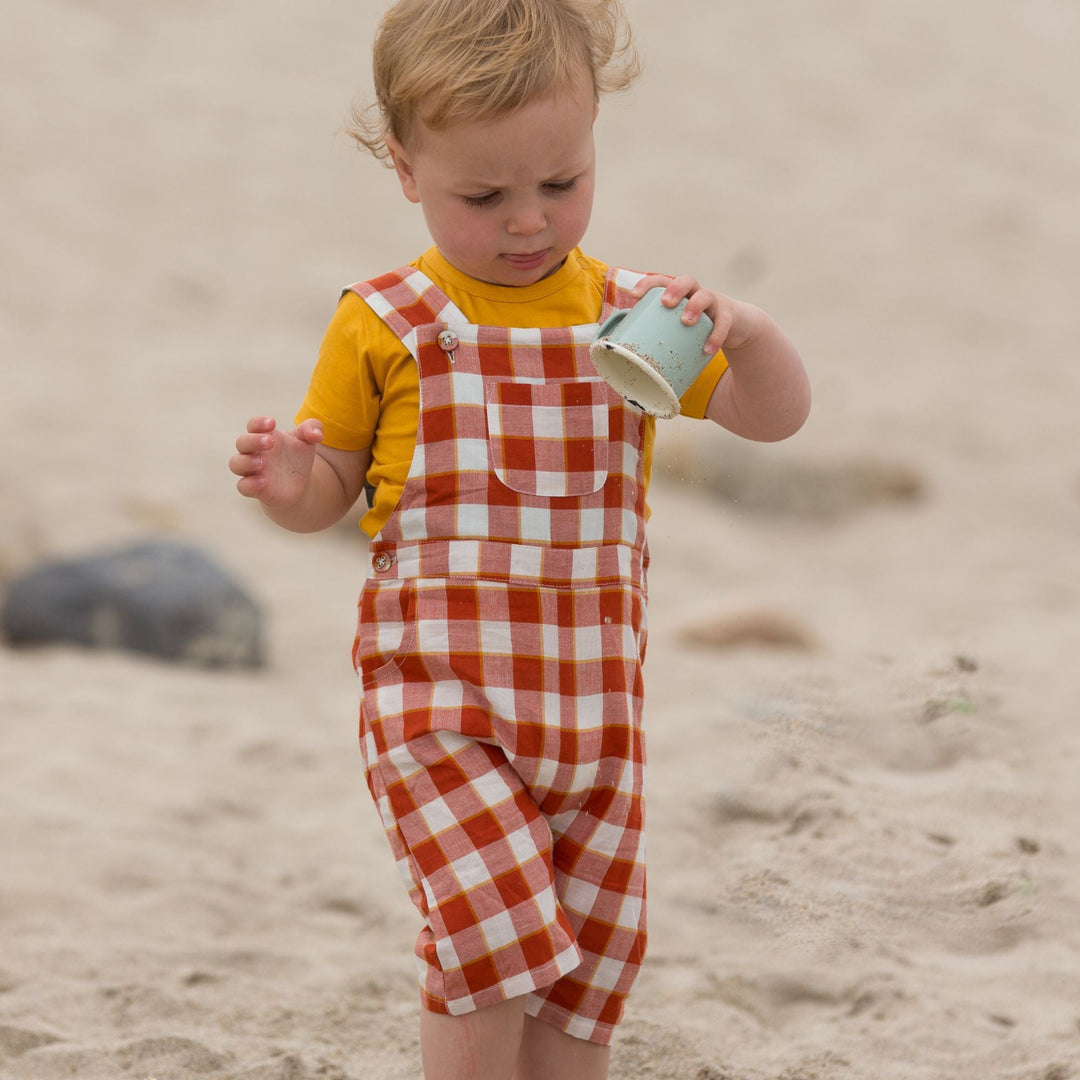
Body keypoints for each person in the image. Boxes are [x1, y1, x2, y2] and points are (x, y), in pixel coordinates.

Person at [229, 1, 810, 1076]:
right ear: (405, 169)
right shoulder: (390, 319)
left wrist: (756, 335)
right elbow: (331, 496)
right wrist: (290, 479)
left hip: (594, 716)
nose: (530, 220)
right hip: (440, 700)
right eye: (484, 196)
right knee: (487, 929)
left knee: (589, 963)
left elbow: (770, 420)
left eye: (564, 183)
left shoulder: (635, 318)